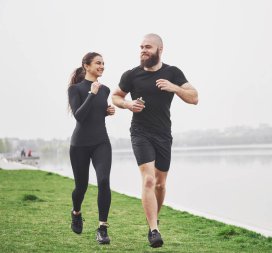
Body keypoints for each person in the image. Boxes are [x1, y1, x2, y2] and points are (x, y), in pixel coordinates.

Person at [112, 33, 198, 248]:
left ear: (160, 49)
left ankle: (155, 218)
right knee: (149, 180)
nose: (143, 50)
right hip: (140, 133)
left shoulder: (172, 72)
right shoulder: (131, 75)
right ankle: (153, 230)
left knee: (160, 183)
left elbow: (194, 97)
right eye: (141, 46)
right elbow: (116, 96)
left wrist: (175, 88)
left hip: (163, 134)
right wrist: (127, 105)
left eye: (148, 47)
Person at [67, 52, 115, 244]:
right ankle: (76, 212)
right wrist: (91, 93)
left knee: (103, 181)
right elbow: (79, 115)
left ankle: (102, 228)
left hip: (101, 142)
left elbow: (95, 113)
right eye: (98, 63)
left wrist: (106, 112)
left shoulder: (106, 90)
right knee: (81, 186)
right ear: (86, 65)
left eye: (103, 63)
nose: (102, 66)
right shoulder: (75, 89)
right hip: (79, 145)